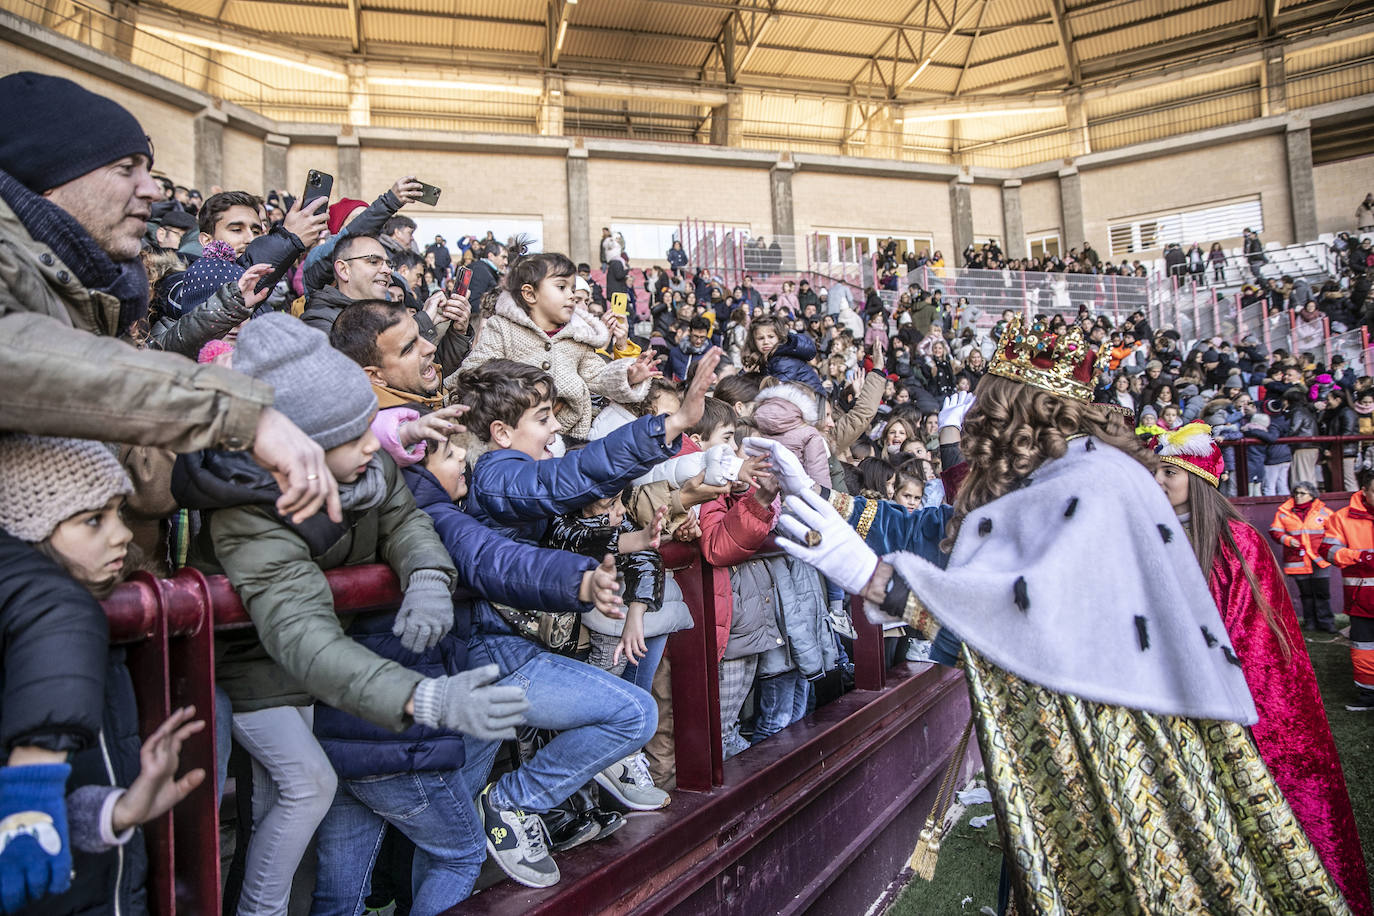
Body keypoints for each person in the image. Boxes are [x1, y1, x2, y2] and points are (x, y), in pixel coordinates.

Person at [774, 316, 1348, 913]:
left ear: (1019, 416)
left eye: (989, 411)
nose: (976, 429)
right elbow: (947, 532)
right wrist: (829, 498)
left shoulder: (1093, 484)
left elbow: (1022, 624)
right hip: (1075, 733)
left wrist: (874, 580)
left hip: (1111, 742)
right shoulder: (1058, 476)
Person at [0, 72, 337, 524]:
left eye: (149, 169)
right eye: (126, 169)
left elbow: (130, 470)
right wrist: (237, 413)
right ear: (49, 179)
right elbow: (24, 359)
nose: (153, 190)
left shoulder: (95, 289)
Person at [1151, 424, 1370, 915]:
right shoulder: (1148, 536)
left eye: (1168, 471)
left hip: (1230, 706)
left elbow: (1258, 645)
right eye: (1155, 471)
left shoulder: (1238, 541)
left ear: (1196, 477)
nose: (1158, 480)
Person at [0, 436, 208, 915]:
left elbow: (52, 815)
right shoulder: (38, 639)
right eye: (94, 519)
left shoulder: (110, 628)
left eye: (119, 512)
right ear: (30, 532)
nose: (122, 535)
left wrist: (120, 811)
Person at [458, 249, 654, 438]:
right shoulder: (502, 328)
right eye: (562, 287)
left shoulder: (577, 336)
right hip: (514, 431)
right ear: (530, 294)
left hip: (567, 433)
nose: (570, 295)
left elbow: (598, 376)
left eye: (573, 290)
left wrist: (627, 376)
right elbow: (473, 372)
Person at [1321, 465, 1374, 712]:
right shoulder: (1341, 517)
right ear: (1364, 491)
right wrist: (1361, 557)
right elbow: (1327, 551)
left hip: (1360, 597)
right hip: (1360, 600)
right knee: (1363, 650)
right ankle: (1368, 697)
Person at [1271, 481, 1337, 632]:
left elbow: (1335, 533)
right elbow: (1275, 532)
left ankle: (1326, 622)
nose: (1298, 496)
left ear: (1312, 495)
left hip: (1320, 559)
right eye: (1296, 493)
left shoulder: (1325, 512)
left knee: (1322, 592)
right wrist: (1288, 540)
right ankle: (1310, 622)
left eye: (1302, 493)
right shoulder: (1283, 512)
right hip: (1297, 560)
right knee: (1306, 593)